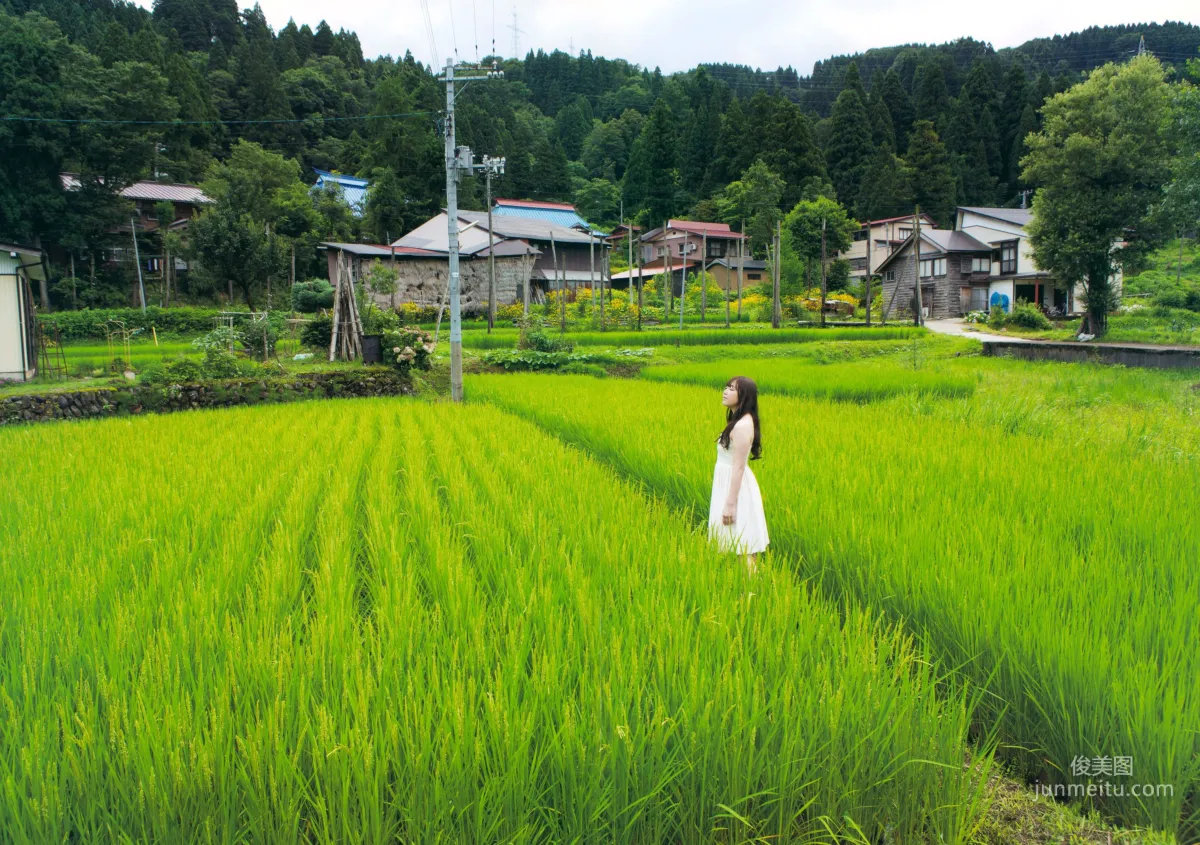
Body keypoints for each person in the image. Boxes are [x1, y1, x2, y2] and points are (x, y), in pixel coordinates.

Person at [708, 376, 768, 574]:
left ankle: (754, 593)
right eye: (726, 386)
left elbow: (739, 467)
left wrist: (730, 504)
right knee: (738, 542)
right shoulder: (738, 421)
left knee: (744, 544)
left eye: (732, 389)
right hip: (730, 486)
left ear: (744, 396)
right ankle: (744, 590)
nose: (726, 391)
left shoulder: (742, 426)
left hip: (736, 490)